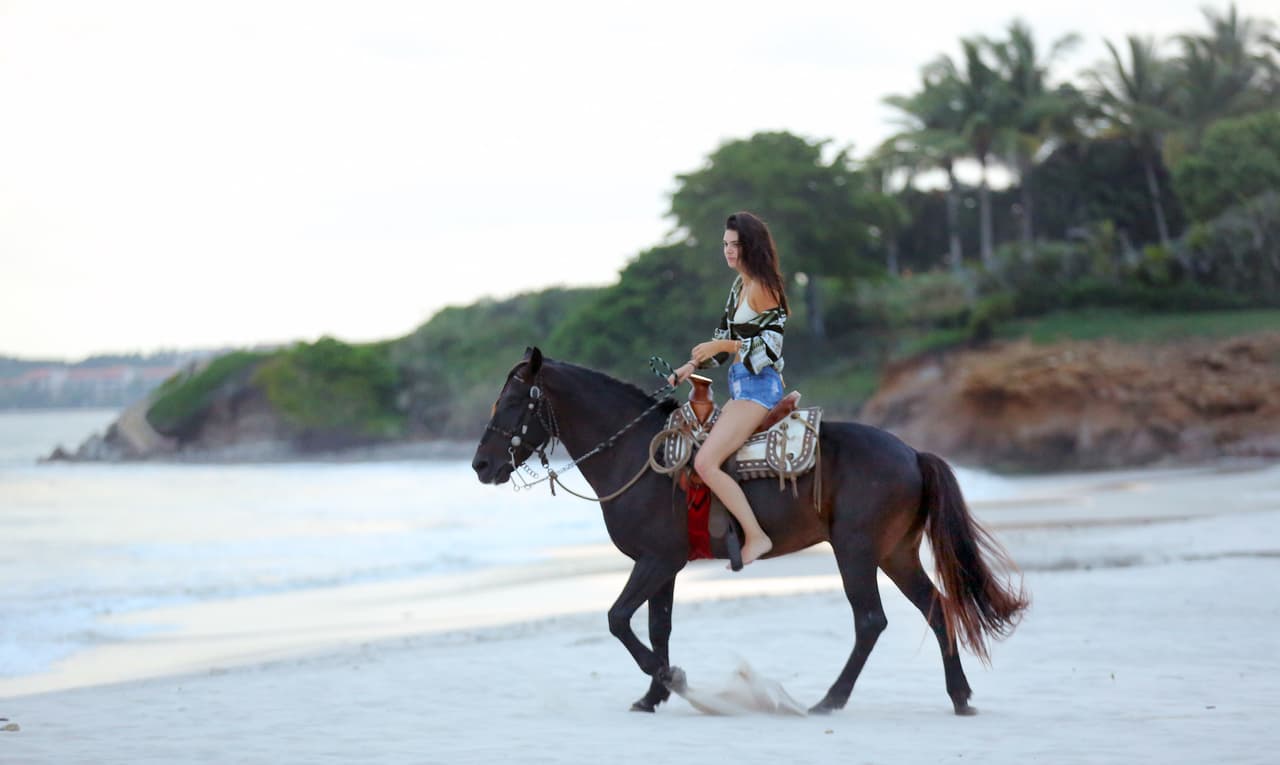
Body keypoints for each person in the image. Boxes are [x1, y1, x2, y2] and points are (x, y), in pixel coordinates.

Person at [669, 211, 789, 567]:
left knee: (705, 462)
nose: (728, 251)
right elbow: (723, 339)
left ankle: (756, 535)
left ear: (751, 246)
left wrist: (722, 347)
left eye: (735, 245)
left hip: (758, 388)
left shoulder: (764, 288)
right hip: (740, 386)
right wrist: (690, 367)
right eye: (724, 245)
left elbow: (771, 347)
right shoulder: (739, 286)